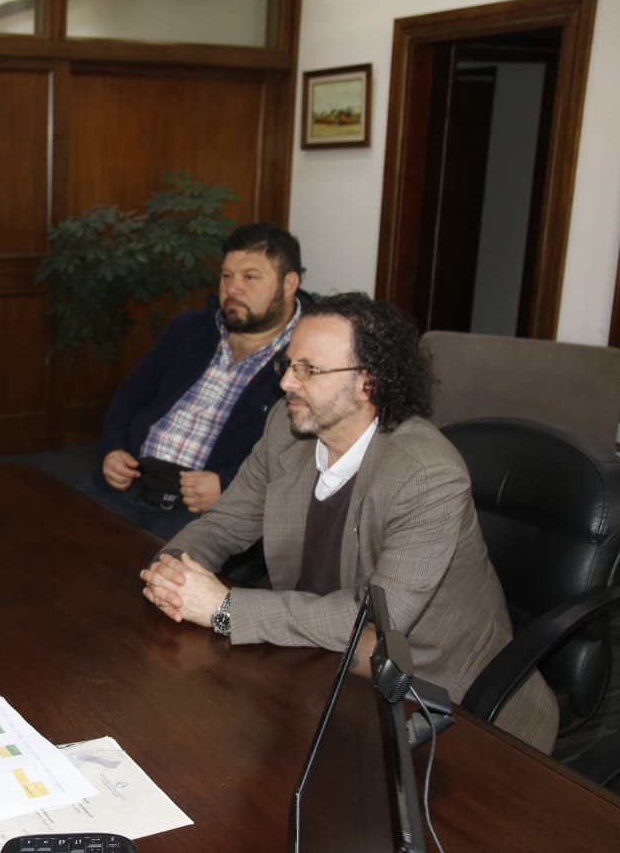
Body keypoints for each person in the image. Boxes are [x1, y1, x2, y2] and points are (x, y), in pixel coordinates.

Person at [139, 292, 559, 753]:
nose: (287, 383)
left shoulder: (428, 475)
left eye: (309, 370)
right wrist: (173, 570)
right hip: (317, 664)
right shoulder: (286, 427)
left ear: (368, 382)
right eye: (288, 364)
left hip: (441, 702)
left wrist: (225, 608)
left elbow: (375, 618)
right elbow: (227, 520)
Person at [83, 222, 305, 539]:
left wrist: (229, 485)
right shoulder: (190, 329)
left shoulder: (308, 355)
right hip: (131, 481)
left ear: (289, 283)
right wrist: (113, 449)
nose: (233, 288)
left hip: (205, 510)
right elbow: (131, 396)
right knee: (55, 535)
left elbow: (306, 452)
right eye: (226, 276)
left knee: (141, 566)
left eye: (250, 277)